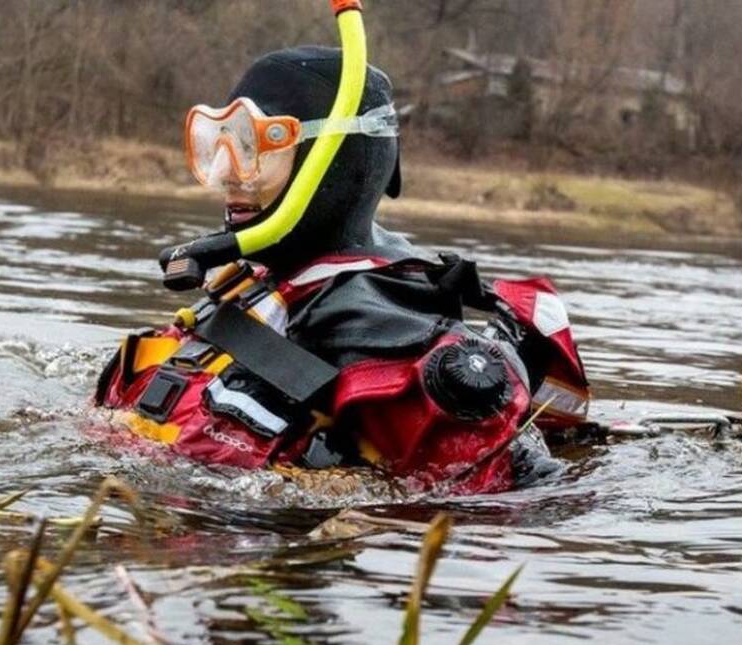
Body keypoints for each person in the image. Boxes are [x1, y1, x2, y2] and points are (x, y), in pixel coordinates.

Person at [94, 47, 590, 494]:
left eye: (253, 150)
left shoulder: (396, 340)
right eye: (217, 146)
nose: (226, 175)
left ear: (333, 164)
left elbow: (477, 515)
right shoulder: (252, 287)